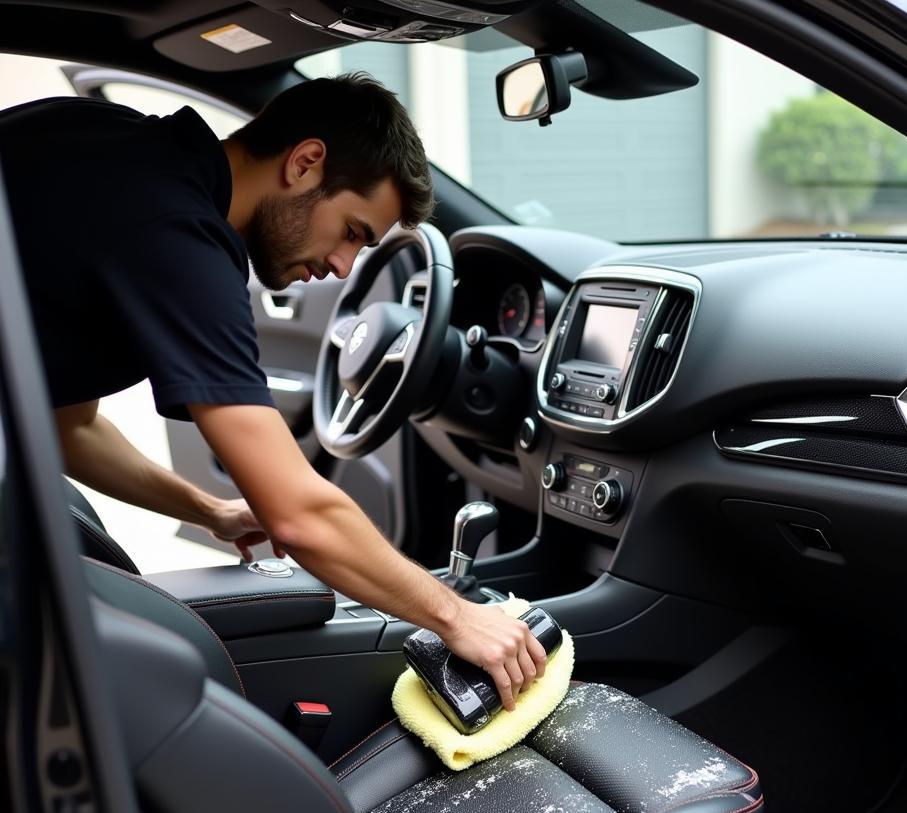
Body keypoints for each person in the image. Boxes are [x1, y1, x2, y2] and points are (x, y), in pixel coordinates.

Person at [0, 73, 545, 709]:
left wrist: (211, 509)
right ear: (305, 164)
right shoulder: (181, 234)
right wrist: (458, 617)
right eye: (353, 231)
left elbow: (69, 426)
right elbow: (300, 514)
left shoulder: (111, 144)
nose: (344, 268)